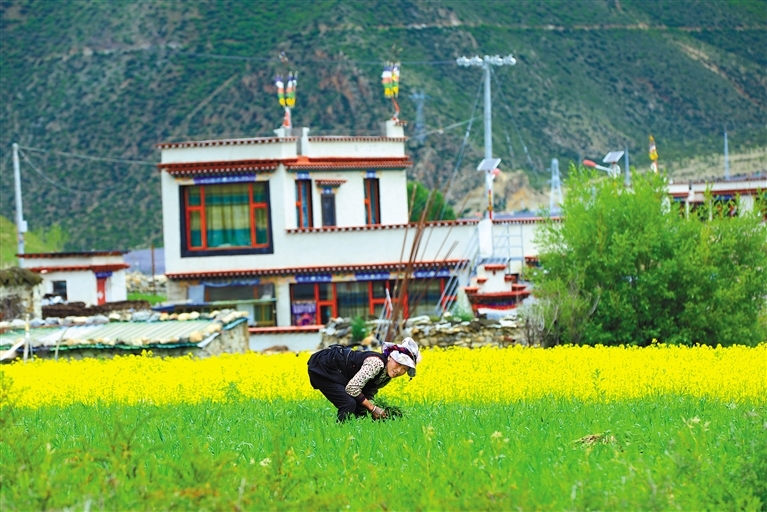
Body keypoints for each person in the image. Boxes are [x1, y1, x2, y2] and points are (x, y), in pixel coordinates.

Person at [307, 337, 421, 422]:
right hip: (324, 366)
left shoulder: (387, 376)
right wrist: (373, 408)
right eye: (399, 363)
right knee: (348, 404)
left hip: (338, 371)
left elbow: (368, 391)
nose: (399, 371)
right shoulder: (376, 363)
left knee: (361, 409)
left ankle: (354, 434)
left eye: (404, 369)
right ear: (390, 357)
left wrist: (371, 407)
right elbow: (352, 388)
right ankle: (339, 435)